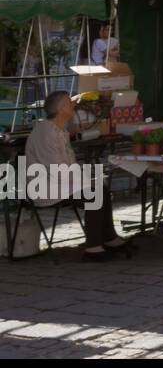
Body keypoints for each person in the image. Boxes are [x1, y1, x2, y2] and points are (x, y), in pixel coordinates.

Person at [26, 91, 132, 261]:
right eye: (69, 103)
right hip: (46, 186)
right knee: (94, 193)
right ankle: (93, 247)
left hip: (60, 182)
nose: (73, 105)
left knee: (100, 188)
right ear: (60, 109)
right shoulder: (46, 132)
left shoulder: (60, 129)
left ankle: (109, 237)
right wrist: (83, 182)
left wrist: (84, 181)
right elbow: (56, 169)